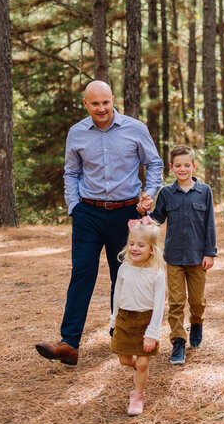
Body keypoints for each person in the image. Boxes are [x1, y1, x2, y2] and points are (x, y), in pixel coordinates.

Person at [35, 80, 164, 366]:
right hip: (88, 214)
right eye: (95, 104)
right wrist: (74, 207)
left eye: (106, 102)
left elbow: (154, 164)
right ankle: (69, 343)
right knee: (82, 272)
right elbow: (71, 172)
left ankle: (120, 336)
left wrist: (149, 193)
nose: (101, 108)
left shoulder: (135, 128)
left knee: (124, 275)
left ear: (113, 99)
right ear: (86, 104)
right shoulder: (77, 133)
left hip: (125, 212)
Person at [150, 145, 217, 365]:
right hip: (174, 258)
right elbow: (156, 219)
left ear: (193, 166)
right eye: (178, 165)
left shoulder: (204, 191)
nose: (182, 169)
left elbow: (210, 225)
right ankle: (178, 342)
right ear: (171, 167)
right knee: (176, 303)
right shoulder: (167, 193)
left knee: (197, 301)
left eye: (187, 165)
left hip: (198, 257)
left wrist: (210, 253)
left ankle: (197, 323)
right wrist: (144, 214)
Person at [110, 216, 167, 416]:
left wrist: (153, 332)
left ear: (152, 249)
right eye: (132, 244)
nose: (134, 248)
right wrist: (114, 318)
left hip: (146, 321)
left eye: (141, 245)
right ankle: (141, 372)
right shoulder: (124, 268)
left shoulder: (157, 274)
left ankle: (137, 395)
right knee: (125, 360)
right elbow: (117, 294)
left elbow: (160, 305)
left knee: (142, 363)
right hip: (125, 319)